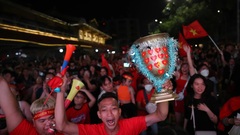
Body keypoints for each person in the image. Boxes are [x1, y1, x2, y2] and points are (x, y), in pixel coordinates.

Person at [54, 74, 173, 135]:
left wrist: (163, 90)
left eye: (114, 109)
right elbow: (61, 126)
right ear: (99, 115)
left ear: (120, 112)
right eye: (104, 110)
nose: (110, 114)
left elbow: (161, 115)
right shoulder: (93, 131)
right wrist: (61, 91)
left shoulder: (130, 125)